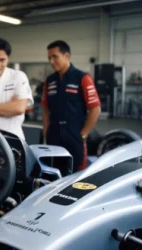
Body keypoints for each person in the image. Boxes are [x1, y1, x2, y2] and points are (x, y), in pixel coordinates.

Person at [41, 40, 101, 176]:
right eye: (49, 58)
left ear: (66, 56)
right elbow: (45, 108)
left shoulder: (82, 78)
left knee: (77, 176)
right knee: (54, 174)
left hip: (75, 137)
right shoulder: (49, 81)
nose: (51, 61)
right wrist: (46, 132)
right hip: (53, 138)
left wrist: (84, 134)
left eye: (55, 57)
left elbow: (95, 108)